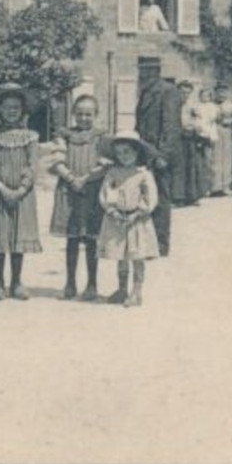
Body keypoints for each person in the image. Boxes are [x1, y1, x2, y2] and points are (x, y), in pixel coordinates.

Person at [0, 84, 42, 300]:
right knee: (0, 238)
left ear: (23, 110)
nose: (12, 111)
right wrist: (2, 187)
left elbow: (33, 166)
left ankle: (16, 282)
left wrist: (21, 189)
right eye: (7, 107)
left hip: (23, 196)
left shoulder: (31, 137)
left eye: (16, 107)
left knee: (18, 238)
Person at [49, 93, 109, 301]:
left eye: (89, 114)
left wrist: (86, 178)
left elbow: (104, 164)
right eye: (80, 114)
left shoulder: (102, 137)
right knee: (72, 239)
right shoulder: (64, 136)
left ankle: (92, 284)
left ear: (96, 115)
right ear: (73, 114)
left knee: (91, 239)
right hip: (69, 190)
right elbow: (57, 161)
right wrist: (71, 178)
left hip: (93, 191)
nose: (84, 118)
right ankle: (70, 283)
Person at [96, 132, 161, 309]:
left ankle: (137, 291)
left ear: (137, 152)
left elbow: (150, 197)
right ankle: (121, 289)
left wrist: (138, 213)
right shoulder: (113, 173)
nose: (124, 156)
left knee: (136, 256)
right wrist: (112, 211)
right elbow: (106, 193)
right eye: (120, 153)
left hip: (137, 220)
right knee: (120, 255)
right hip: (117, 218)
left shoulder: (143, 174)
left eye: (128, 152)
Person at [133, 65, 181, 256]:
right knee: (145, 196)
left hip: (159, 154)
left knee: (160, 198)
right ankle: (147, 242)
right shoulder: (146, 92)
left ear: (156, 72)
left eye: (147, 72)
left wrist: (163, 155)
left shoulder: (169, 91)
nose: (143, 75)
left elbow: (172, 126)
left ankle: (161, 244)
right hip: (144, 151)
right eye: (141, 72)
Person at [174, 79, 209, 207]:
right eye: (182, 92)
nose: (185, 95)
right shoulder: (173, 105)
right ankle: (178, 197)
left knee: (192, 167)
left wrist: (197, 129)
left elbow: (199, 122)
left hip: (190, 138)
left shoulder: (192, 107)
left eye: (188, 93)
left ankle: (192, 196)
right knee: (179, 167)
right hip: (177, 138)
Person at [209, 84, 232, 197]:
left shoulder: (230, 105)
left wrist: (231, 121)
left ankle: (226, 185)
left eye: (223, 92)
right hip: (215, 130)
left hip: (227, 131)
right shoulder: (211, 105)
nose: (221, 94)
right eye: (218, 92)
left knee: (227, 158)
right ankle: (215, 187)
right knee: (215, 158)